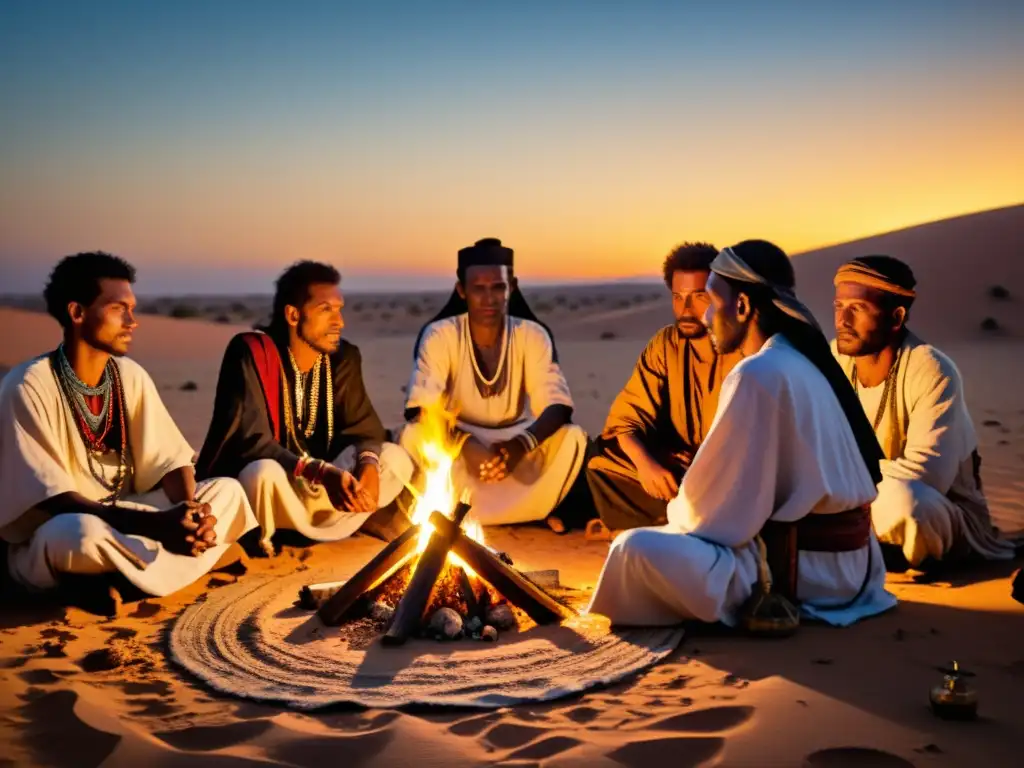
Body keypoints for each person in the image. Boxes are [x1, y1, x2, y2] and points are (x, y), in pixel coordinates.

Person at [587, 240, 896, 628]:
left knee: (632, 549)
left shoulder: (758, 373)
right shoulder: (796, 359)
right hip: (853, 569)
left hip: (802, 573)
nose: (704, 317)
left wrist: (678, 511)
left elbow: (712, 518)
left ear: (744, 306)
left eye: (712, 301)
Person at [0, 252, 257, 607]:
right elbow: (52, 499)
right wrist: (158, 528)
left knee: (228, 491)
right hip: (67, 528)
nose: (132, 321)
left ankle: (120, 579)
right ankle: (190, 564)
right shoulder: (28, 385)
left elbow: (171, 461)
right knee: (78, 536)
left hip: (134, 515)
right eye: (119, 309)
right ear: (77, 313)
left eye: (133, 309)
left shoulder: (129, 375)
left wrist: (189, 513)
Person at [196, 261, 414, 556]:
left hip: (327, 492)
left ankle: (342, 519)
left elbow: (363, 427)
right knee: (260, 474)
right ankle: (284, 533)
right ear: (293, 314)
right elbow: (250, 441)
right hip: (283, 489)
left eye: (340, 309)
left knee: (395, 458)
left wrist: (368, 464)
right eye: (326, 310)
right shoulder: (253, 352)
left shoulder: (344, 357)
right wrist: (318, 472)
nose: (339, 321)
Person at [831, 255, 1018, 570]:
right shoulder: (836, 359)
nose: (842, 321)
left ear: (896, 317)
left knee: (907, 502)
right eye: (839, 306)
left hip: (943, 512)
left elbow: (927, 477)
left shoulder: (931, 368)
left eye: (857, 308)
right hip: (857, 498)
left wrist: (842, 476)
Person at [401, 238, 588, 530]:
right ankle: (489, 511)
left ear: (511, 287)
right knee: (413, 435)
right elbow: (421, 408)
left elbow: (557, 405)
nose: (489, 298)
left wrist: (520, 445)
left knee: (572, 437)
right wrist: (466, 444)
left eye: (498, 287)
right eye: (479, 289)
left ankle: (531, 508)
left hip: (516, 441)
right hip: (457, 443)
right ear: (462, 290)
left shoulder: (532, 334)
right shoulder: (440, 335)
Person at [585, 242, 742, 540]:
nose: (685, 310)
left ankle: (669, 523)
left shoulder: (743, 347)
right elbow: (625, 422)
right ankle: (677, 519)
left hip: (723, 474)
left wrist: (702, 461)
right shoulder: (666, 343)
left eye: (698, 297)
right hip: (676, 474)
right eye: (678, 297)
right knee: (601, 460)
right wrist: (649, 463)